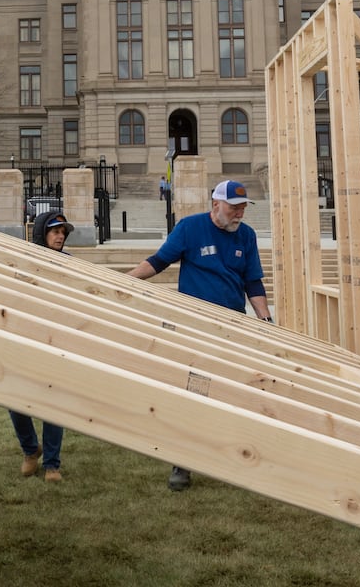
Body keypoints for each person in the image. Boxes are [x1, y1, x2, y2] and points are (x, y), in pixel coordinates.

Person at [128, 181, 270, 489]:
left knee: (232, 392)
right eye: (234, 207)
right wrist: (125, 280)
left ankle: (231, 456)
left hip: (232, 327)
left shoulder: (246, 236)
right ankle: (183, 463)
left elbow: (253, 282)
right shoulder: (190, 228)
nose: (239, 214)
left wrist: (265, 318)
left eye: (243, 208)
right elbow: (158, 262)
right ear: (216, 204)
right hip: (194, 327)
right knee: (193, 391)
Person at [10, 210, 75, 483]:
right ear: (41, 234)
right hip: (26, 338)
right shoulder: (25, 263)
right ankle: (30, 450)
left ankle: (52, 464)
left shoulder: (71, 265)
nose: (60, 236)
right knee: (14, 399)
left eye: (62, 232)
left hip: (57, 340)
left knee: (53, 400)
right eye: (55, 231)